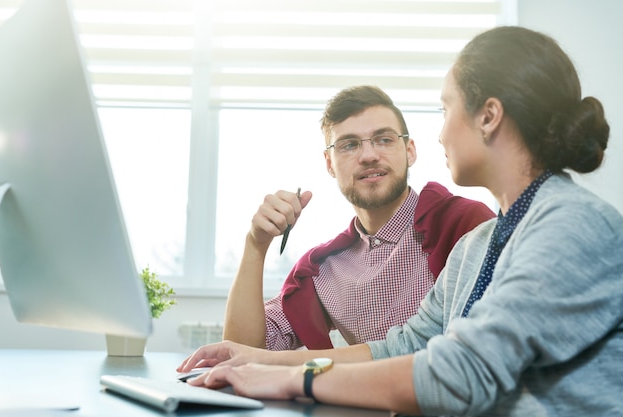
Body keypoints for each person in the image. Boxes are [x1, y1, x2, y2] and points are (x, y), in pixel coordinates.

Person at [178, 26, 623, 416]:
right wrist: (255, 362)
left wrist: (297, 380)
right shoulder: (481, 244)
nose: (442, 132)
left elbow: (461, 373)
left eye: (446, 110)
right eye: (349, 145)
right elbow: (403, 348)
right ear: (329, 163)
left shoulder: (573, 225)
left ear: (487, 116)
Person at [223, 85, 495, 350]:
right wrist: (255, 245)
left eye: (385, 139)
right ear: (330, 163)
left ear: (410, 151)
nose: (369, 156)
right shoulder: (324, 269)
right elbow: (242, 351)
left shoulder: (467, 225)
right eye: (349, 145)